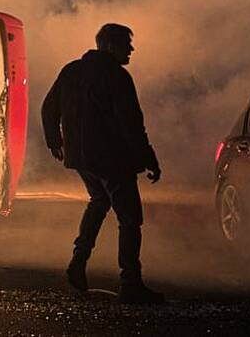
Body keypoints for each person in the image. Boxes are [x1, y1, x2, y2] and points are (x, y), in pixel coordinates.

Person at [41, 23, 164, 304]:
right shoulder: (117, 77)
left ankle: (78, 262)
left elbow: (49, 107)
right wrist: (148, 158)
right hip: (112, 158)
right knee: (130, 219)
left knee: (99, 201)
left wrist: (55, 141)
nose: (131, 49)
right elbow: (131, 124)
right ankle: (130, 283)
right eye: (126, 44)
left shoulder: (71, 70)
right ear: (110, 46)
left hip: (80, 157)